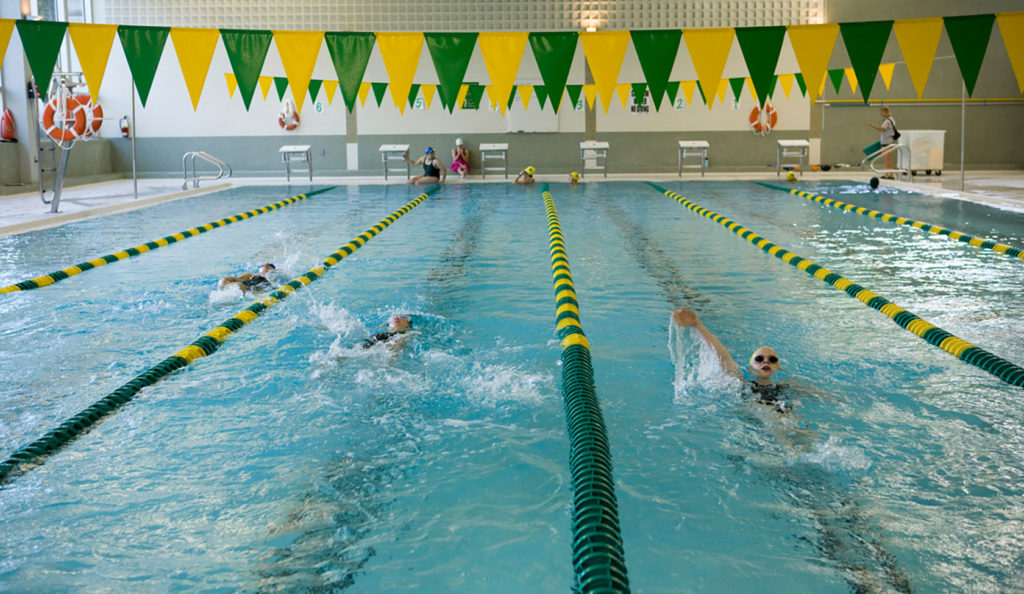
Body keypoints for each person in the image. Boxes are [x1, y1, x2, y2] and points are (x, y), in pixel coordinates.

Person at [671, 308, 788, 411]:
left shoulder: (786, 388)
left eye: (772, 359)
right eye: (759, 359)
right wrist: (697, 325)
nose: (766, 361)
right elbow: (723, 357)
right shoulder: (744, 385)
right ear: (750, 369)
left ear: (778, 367)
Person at [868, 106, 898, 179]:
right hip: (890, 141)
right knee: (889, 159)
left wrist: (872, 125)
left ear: (885, 112)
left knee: (887, 159)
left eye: (882, 112)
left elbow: (881, 129)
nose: (881, 114)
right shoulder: (892, 119)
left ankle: (887, 174)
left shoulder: (887, 121)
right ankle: (891, 174)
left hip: (886, 142)